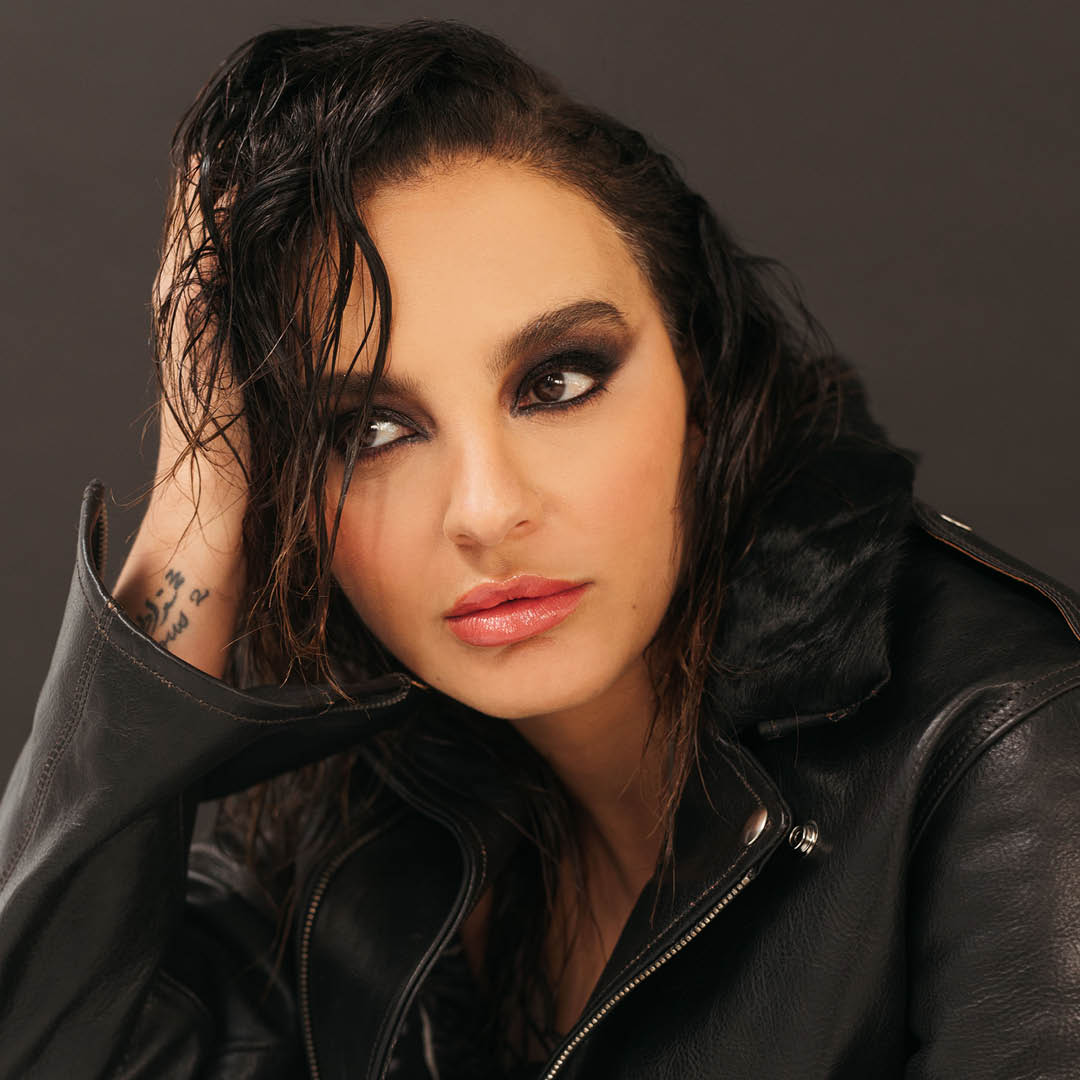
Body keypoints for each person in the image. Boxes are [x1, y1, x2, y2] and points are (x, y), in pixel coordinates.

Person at [1, 18, 1078, 1079]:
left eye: (557, 382)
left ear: (699, 372)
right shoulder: (355, 832)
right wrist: (196, 504)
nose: (484, 510)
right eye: (368, 429)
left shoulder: (1007, 763)